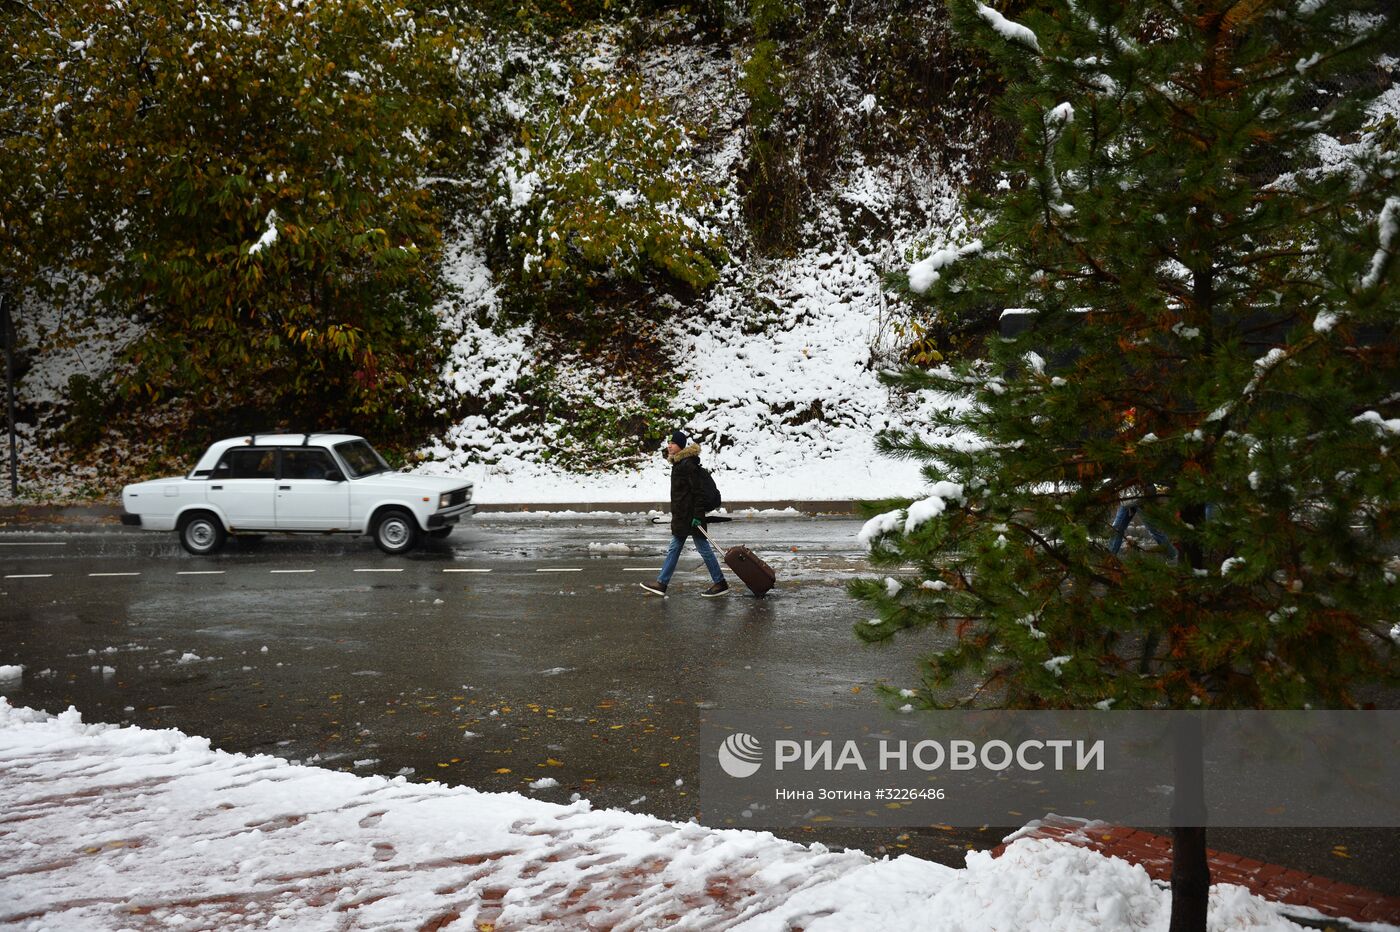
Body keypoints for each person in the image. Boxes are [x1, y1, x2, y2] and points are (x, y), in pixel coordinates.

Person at [640, 430, 729, 597]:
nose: (669, 445)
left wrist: (697, 516)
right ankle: (663, 583)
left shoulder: (688, 465)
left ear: (680, 446)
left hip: (691, 517)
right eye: (669, 443)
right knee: (676, 548)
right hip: (683, 517)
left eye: (672, 443)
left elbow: (698, 493)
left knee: (701, 550)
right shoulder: (679, 464)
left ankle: (719, 582)